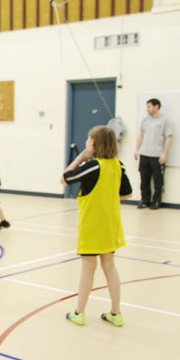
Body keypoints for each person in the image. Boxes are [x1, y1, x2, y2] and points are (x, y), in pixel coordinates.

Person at [62, 125, 132, 327]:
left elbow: (65, 178)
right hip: (111, 225)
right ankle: (116, 313)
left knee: (88, 267)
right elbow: (127, 193)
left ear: (93, 143)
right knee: (109, 267)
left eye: (88, 139)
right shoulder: (118, 165)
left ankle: (79, 312)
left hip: (92, 225)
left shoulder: (93, 165)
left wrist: (81, 156)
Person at [134, 98, 173, 210]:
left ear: (156, 107)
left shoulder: (164, 120)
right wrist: (137, 150)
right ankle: (144, 200)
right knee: (144, 180)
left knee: (158, 181)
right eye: (147, 107)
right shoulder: (145, 120)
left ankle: (156, 201)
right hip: (144, 155)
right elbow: (141, 135)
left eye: (149, 106)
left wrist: (164, 154)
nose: (147, 109)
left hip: (157, 156)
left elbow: (169, 137)